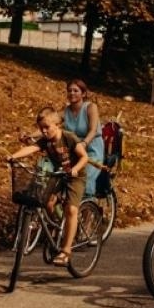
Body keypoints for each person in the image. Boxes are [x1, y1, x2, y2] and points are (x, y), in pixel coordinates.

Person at [9, 106, 87, 266]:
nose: (44, 131)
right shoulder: (46, 141)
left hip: (75, 177)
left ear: (57, 124)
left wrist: (75, 169)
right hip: (57, 175)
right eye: (41, 128)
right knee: (48, 202)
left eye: (47, 127)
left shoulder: (68, 137)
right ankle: (59, 226)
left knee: (71, 210)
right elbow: (32, 147)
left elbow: (84, 157)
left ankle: (66, 251)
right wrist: (13, 156)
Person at [61, 79, 105, 200]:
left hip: (92, 149)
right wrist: (32, 135)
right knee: (62, 175)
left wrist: (84, 143)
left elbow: (93, 130)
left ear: (83, 94)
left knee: (85, 178)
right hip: (75, 150)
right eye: (69, 90)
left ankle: (88, 211)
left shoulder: (90, 107)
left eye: (76, 90)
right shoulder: (66, 110)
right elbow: (51, 125)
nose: (72, 93)